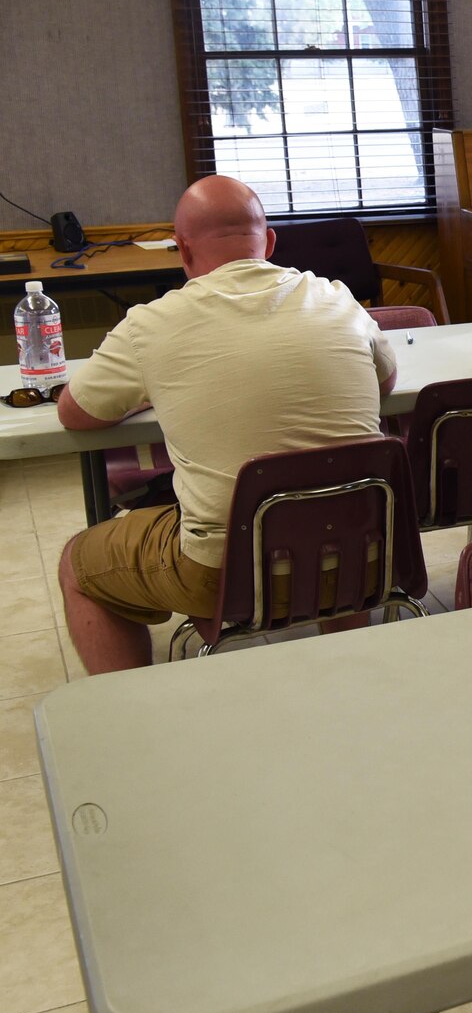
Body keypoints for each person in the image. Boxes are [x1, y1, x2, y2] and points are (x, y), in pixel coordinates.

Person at [56, 175, 397, 674]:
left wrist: (149, 387)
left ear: (182, 250)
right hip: (365, 549)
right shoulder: (337, 298)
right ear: (271, 242)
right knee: (335, 512)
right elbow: (384, 382)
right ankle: (347, 673)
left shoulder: (151, 325)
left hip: (230, 570)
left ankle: (128, 711)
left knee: (78, 562)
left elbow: (75, 414)